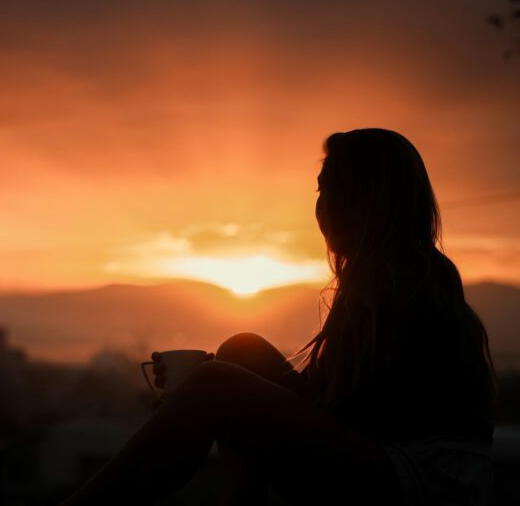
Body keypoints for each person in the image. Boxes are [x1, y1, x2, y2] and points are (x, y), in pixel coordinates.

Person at [59, 128, 498, 506]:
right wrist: (223, 384)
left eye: (331, 189)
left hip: (424, 481)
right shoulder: (400, 272)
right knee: (238, 353)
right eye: (319, 190)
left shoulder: (397, 279)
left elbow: (357, 412)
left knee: (218, 382)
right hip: (400, 464)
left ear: (366, 200)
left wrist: (209, 391)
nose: (321, 206)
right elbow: (337, 404)